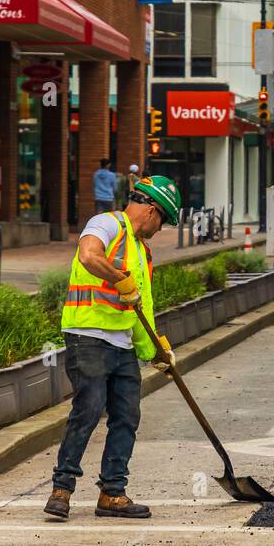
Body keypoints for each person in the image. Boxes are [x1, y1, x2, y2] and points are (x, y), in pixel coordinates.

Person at [44, 175, 182, 521]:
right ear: (152, 211)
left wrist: (157, 352)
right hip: (87, 335)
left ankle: (112, 493)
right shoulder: (107, 223)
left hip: (120, 344)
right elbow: (89, 255)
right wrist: (120, 279)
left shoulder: (141, 251)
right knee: (89, 409)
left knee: (126, 416)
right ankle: (61, 489)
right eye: (163, 221)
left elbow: (141, 309)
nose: (160, 229)